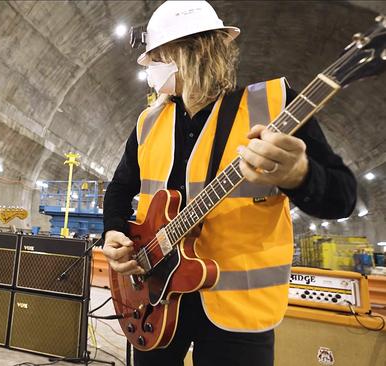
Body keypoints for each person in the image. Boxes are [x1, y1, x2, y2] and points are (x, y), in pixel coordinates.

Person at [102, 2, 356, 366]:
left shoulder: (273, 105)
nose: (151, 70)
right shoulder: (149, 121)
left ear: (186, 53)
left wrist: (299, 176)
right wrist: (112, 231)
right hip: (155, 295)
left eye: (156, 58)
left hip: (238, 308)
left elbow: (343, 197)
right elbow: (120, 188)